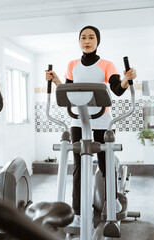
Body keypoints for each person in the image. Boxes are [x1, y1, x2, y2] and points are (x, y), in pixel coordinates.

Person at [45, 26, 137, 226]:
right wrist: (55, 80)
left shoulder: (106, 65)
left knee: (106, 165)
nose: (87, 41)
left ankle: (111, 200)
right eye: (83, 37)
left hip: (102, 121)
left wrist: (126, 80)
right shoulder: (72, 65)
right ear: (79, 41)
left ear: (97, 41)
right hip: (78, 121)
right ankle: (78, 214)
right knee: (79, 168)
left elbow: (116, 89)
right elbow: (67, 91)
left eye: (91, 37)